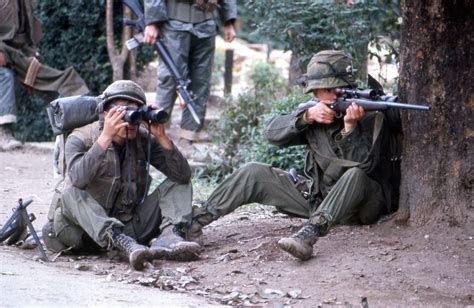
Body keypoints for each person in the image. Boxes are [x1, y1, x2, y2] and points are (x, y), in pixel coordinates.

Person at [188, 50, 394, 261]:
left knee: (355, 175)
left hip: (361, 206)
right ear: (314, 92)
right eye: (327, 89)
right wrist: (305, 117)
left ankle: (309, 234)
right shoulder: (314, 114)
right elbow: (271, 133)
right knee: (253, 172)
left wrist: (350, 129)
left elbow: (365, 166)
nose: (335, 95)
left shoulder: (370, 115)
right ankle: (192, 224)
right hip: (319, 201)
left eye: (340, 90)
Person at [42, 80, 200, 270]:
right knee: (70, 193)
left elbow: (182, 176)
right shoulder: (80, 138)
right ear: (107, 115)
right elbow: (77, 180)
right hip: (80, 232)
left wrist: (161, 136)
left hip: (129, 230)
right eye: (125, 113)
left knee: (179, 183)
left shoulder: (142, 139)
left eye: (137, 113)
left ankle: (168, 238)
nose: (131, 121)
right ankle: (119, 241)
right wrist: (105, 138)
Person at [143, 0, 237, 152]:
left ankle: (188, 139)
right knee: (170, 80)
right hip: (174, 22)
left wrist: (228, 20)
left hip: (207, 23)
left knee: (201, 82)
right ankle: (155, 135)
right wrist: (153, 21)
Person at [0, 0, 89, 151]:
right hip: (5, 54)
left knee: (59, 82)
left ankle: (77, 130)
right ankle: (4, 133)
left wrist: (32, 57)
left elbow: (28, 31)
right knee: (6, 77)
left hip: (20, 54)